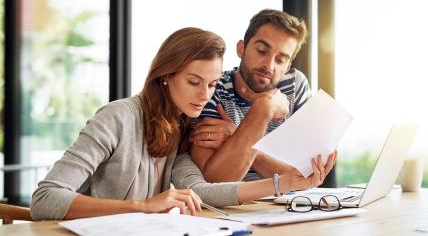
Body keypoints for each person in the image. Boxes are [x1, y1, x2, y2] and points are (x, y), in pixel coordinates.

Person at [31, 27, 335, 220]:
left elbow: (201, 191)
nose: (204, 95)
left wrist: (286, 184)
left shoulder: (180, 127)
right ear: (166, 75)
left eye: (213, 84)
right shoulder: (117, 117)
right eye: (193, 82)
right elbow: (46, 199)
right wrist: (145, 206)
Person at [189, 9, 336, 182]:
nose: (269, 65)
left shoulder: (294, 85)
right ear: (241, 49)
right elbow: (215, 180)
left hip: (289, 203)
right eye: (261, 51)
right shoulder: (213, 88)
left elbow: (307, 174)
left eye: (280, 60)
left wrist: (235, 137)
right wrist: (264, 108)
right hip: (238, 205)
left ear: (288, 66)